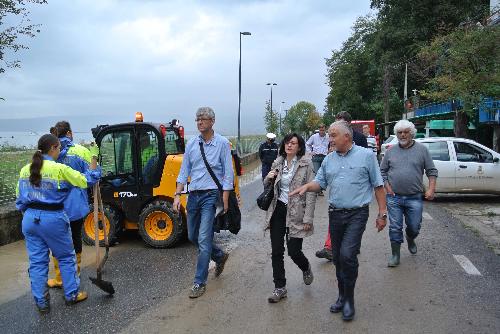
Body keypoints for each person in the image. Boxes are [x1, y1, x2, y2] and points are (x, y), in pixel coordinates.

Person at [290, 121, 387, 321]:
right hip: (335, 214)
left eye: (333, 135)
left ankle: (350, 300)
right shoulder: (329, 159)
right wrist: (307, 187)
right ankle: (342, 295)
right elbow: (321, 183)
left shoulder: (367, 156)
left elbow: (378, 186)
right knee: (338, 257)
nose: (330, 139)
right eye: (330, 135)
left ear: (347, 137)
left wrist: (382, 214)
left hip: (357, 214)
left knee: (347, 254)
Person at [16, 134, 101, 313]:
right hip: (53, 218)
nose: (60, 151)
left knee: (37, 263)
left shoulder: (25, 170)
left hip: (30, 219)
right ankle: (71, 295)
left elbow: (19, 200)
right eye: (59, 149)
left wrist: (31, 214)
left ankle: (42, 303)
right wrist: (94, 157)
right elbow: (88, 179)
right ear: (53, 148)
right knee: (65, 257)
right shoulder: (59, 169)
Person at [173, 107, 234, 299]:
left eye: (203, 119)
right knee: (192, 236)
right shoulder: (192, 144)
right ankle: (219, 255)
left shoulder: (222, 143)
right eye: (197, 119)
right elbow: (184, 171)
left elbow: (228, 172)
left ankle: (199, 282)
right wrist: (177, 194)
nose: (199, 122)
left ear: (212, 122)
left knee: (204, 238)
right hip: (193, 195)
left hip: (210, 196)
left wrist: (225, 197)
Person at [263, 133, 316, 303]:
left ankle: (305, 266)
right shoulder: (278, 162)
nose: (289, 145)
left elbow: (311, 192)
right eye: (287, 142)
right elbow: (267, 184)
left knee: (294, 251)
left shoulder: (306, 164)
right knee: (276, 251)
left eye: (293, 143)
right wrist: (268, 177)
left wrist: (308, 218)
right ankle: (280, 287)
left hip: (297, 212)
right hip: (278, 210)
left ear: (299, 146)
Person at [46, 121, 99, 289]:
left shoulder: (49, 152)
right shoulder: (81, 151)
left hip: (53, 205)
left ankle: (60, 277)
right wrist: (95, 158)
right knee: (75, 237)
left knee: (56, 240)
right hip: (75, 205)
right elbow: (93, 175)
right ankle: (74, 273)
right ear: (69, 133)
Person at [380, 120, 438, 267]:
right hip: (394, 197)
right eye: (399, 132)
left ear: (412, 133)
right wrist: (387, 187)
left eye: (406, 132)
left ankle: (411, 237)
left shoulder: (422, 150)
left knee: (414, 226)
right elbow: (382, 171)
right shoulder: (390, 151)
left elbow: (432, 171)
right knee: (395, 227)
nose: (403, 135)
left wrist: (431, 189)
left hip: (414, 197)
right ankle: (395, 255)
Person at [315, 111, 369, 261]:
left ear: (349, 124)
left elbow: (366, 161)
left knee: (353, 228)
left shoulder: (360, 139)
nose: (338, 125)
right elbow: (329, 157)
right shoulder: (333, 138)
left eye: (342, 121)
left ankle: (351, 246)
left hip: (356, 193)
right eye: (337, 121)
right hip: (338, 186)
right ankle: (329, 247)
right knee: (335, 219)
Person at [306, 124, 329, 196]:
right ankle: (318, 190)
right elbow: (307, 144)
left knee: (324, 173)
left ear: (325, 129)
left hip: (325, 156)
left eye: (323, 130)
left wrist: (330, 150)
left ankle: (320, 188)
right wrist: (310, 152)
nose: (322, 131)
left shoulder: (328, 136)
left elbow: (332, 143)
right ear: (319, 130)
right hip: (316, 157)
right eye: (320, 130)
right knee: (317, 173)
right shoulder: (314, 136)